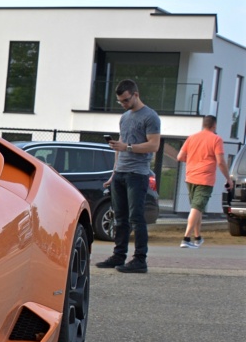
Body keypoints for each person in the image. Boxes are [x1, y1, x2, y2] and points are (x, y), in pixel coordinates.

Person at [96, 80, 161, 274]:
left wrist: (128, 148)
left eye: (125, 100)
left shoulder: (150, 116)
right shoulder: (124, 118)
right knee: (120, 217)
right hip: (121, 174)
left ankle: (140, 259)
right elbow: (121, 144)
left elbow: (154, 145)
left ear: (135, 94)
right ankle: (119, 255)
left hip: (137, 174)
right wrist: (114, 172)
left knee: (136, 217)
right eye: (120, 101)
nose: (123, 104)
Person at [176, 115, 233, 248]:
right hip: (205, 179)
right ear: (214, 125)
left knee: (197, 208)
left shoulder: (192, 138)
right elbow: (220, 161)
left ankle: (197, 237)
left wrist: (193, 161)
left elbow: (180, 157)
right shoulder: (216, 139)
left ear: (203, 125)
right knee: (197, 207)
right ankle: (186, 238)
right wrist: (228, 178)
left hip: (190, 177)